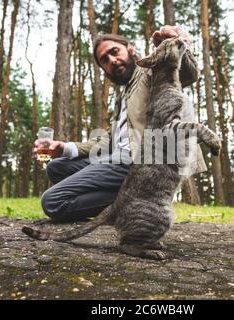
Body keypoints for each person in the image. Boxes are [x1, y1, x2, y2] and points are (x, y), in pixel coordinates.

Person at [34, 25, 206, 222]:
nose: (112, 61)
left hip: (141, 162)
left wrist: (179, 45)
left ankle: (137, 199)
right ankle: (131, 199)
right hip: (117, 158)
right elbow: (107, 141)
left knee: (53, 201)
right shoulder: (122, 99)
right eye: (104, 61)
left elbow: (186, 74)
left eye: (114, 52)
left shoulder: (150, 70)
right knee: (55, 167)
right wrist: (63, 147)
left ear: (130, 49)